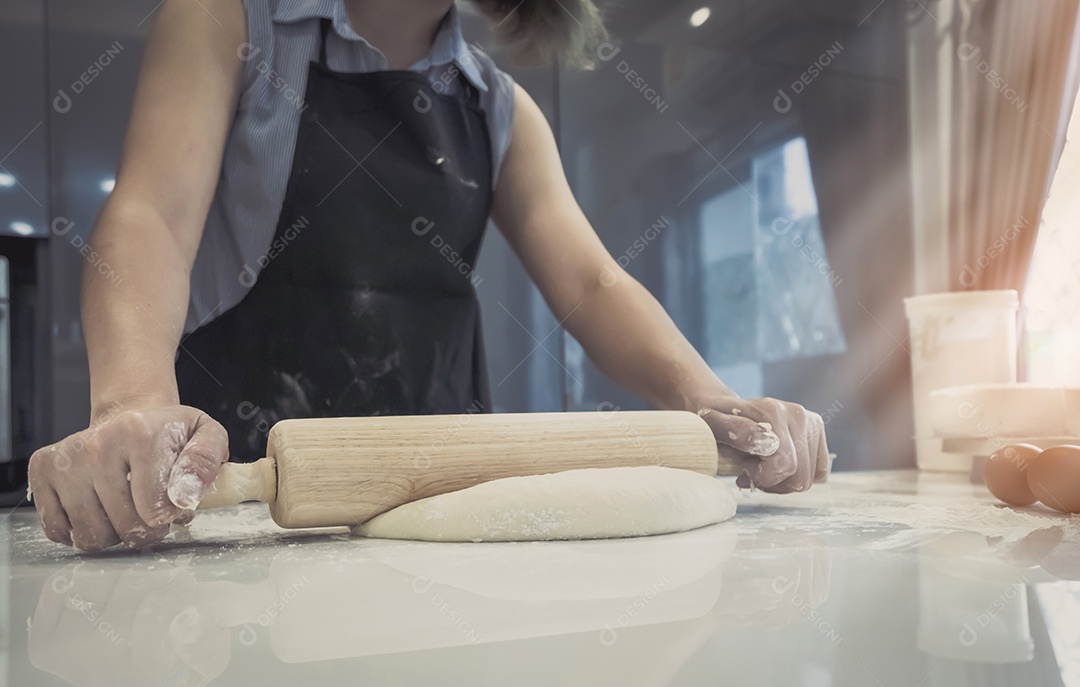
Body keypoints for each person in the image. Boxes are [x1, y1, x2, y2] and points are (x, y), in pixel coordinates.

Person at [28, 0, 829, 552]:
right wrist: (133, 404)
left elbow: (593, 285)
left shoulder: (500, 109)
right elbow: (152, 217)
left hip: (438, 508)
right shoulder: (231, 23)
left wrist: (711, 400)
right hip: (241, 508)